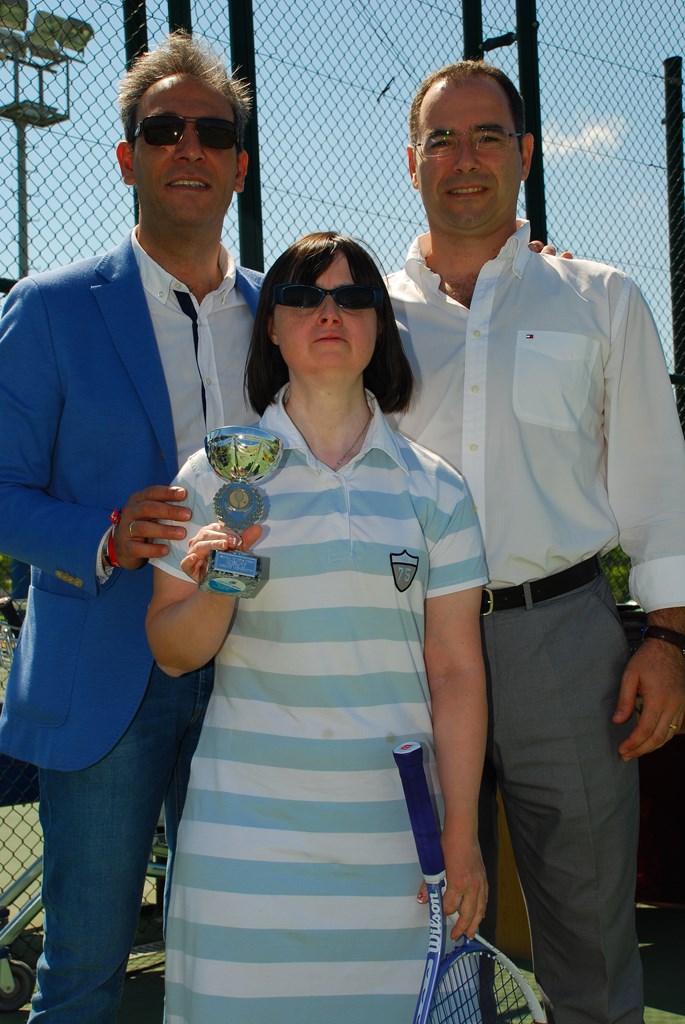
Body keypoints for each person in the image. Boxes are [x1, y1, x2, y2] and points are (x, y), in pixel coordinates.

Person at [385, 60, 685, 1023]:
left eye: (486, 137)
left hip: (564, 641)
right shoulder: (363, 315)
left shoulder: (601, 299)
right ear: (411, 161)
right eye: (441, 139)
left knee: (589, 941)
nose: (463, 159)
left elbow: (656, 483)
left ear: (523, 154)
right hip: (406, 643)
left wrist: (669, 639)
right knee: (423, 928)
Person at [145, 232, 489, 1024]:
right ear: (270, 325)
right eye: (302, 297)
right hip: (244, 845)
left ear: (378, 325)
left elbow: (456, 671)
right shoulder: (213, 476)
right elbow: (171, 653)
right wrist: (218, 586)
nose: (328, 313)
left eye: (352, 298)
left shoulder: (438, 490)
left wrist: (463, 833)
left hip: (397, 846)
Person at [0, 32, 262, 1023]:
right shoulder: (49, 310)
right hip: (105, 677)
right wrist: (104, 536)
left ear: (239, 164)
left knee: (232, 969)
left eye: (213, 133)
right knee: (83, 977)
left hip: (252, 673)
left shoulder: (283, 313)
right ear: (127, 158)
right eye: (164, 130)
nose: (189, 147)